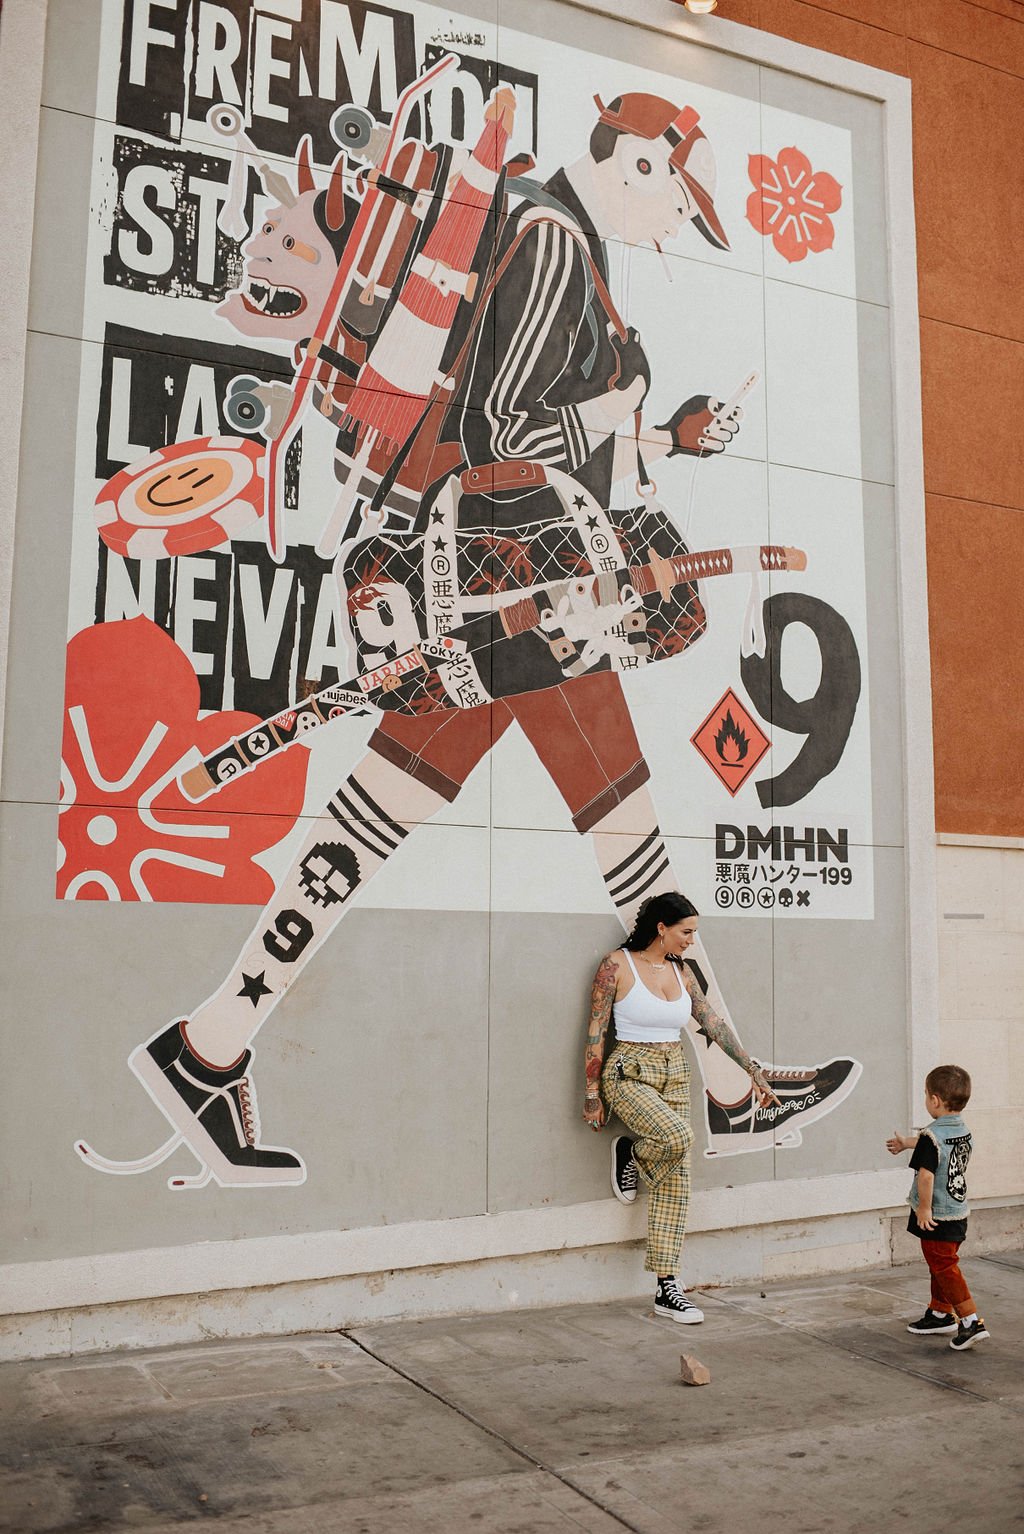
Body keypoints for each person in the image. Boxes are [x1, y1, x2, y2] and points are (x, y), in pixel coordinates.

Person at [98, 93, 858, 1188]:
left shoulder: (553, 234)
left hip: (495, 586)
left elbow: (521, 422)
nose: (669, 226)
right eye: (673, 202)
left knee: (376, 819)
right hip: (525, 588)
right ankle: (735, 1093)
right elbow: (507, 427)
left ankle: (209, 1046)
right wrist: (621, 413)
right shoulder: (553, 240)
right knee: (632, 842)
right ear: (637, 161)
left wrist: (666, 435)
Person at [582, 892, 780, 1321]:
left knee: (677, 1181)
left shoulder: (682, 971)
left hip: (675, 1071)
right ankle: (630, 1150)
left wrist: (753, 1071)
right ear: (661, 928)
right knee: (677, 1137)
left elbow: (712, 1022)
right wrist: (592, 1094)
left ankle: (667, 1286)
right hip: (630, 1071)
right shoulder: (616, 965)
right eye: (686, 932)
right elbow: (596, 1031)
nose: (691, 940)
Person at [886, 1065, 987, 1351]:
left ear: (935, 1100)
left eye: (925, 1094)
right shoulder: (962, 1130)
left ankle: (970, 1321)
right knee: (940, 1264)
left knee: (944, 1265)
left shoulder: (932, 1136)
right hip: (957, 1210)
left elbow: (927, 1176)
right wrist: (907, 1143)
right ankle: (941, 1314)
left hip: (937, 1214)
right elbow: (934, 1147)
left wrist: (924, 1209)